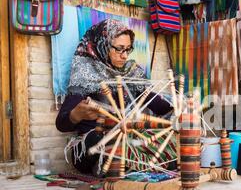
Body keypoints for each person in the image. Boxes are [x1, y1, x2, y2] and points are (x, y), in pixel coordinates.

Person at [56, 19, 173, 176]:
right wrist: (76, 114)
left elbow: (158, 104)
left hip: (126, 140)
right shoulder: (85, 73)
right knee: (105, 139)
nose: (124, 56)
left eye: (128, 49)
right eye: (119, 49)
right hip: (93, 146)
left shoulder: (131, 72)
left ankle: (131, 163)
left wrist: (179, 110)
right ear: (103, 45)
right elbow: (61, 124)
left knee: (165, 140)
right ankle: (123, 163)